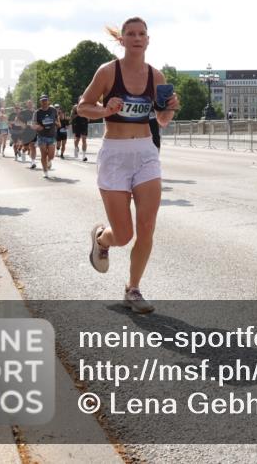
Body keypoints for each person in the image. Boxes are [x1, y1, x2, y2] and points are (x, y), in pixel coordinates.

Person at [77, 17, 178, 314]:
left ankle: (133, 289)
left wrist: (169, 108)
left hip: (146, 153)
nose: (137, 38)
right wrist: (104, 109)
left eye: (142, 34)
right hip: (115, 156)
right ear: (122, 40)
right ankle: (101, 239)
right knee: (123, 235)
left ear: (148, 40)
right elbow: (82, 107)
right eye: (130, 34)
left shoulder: (156, 76)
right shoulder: (108, 72)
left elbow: (161, 121)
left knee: (147, 227)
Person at [32, 95, 58, 178]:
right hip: (41, 135)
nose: (44, 102)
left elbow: (56, 119)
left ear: (48, 101)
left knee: (51, 155)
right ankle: (45, 171)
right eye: (42, 100)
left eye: (45, 100)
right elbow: (33, 124)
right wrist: (37, 127)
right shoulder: (37, 112)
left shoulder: (53, 110)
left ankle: (49, 160)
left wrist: (58, 123)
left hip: (51, 135)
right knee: (43, 154)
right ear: (40, 102)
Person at [18, 100, 38, 169]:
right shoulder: (24, 112)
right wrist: (22, 124)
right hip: (26, 132)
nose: (30, 104)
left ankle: (33, 162)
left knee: (33, 147)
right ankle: (23, 152)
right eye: (28, 103)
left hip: (33, 132)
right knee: (26, 148)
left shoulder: (35, 112)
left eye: (31, 103)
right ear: (26, 104)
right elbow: (18, 119)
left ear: (33, 104)